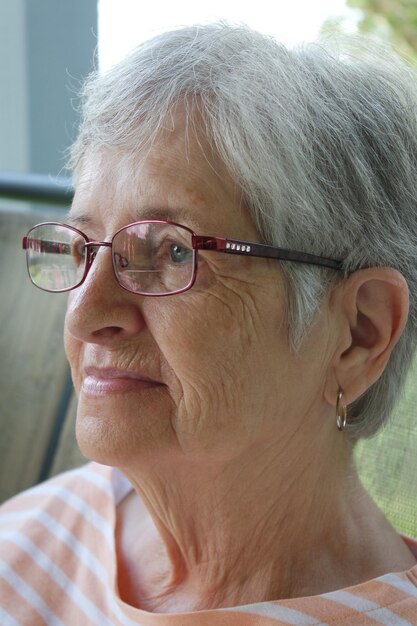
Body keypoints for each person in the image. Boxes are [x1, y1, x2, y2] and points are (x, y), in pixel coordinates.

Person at [2, 22, 417, 625]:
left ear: (360, 333)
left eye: (171, 252)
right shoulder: (31, 540)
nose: (88, 315)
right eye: (84, 245)